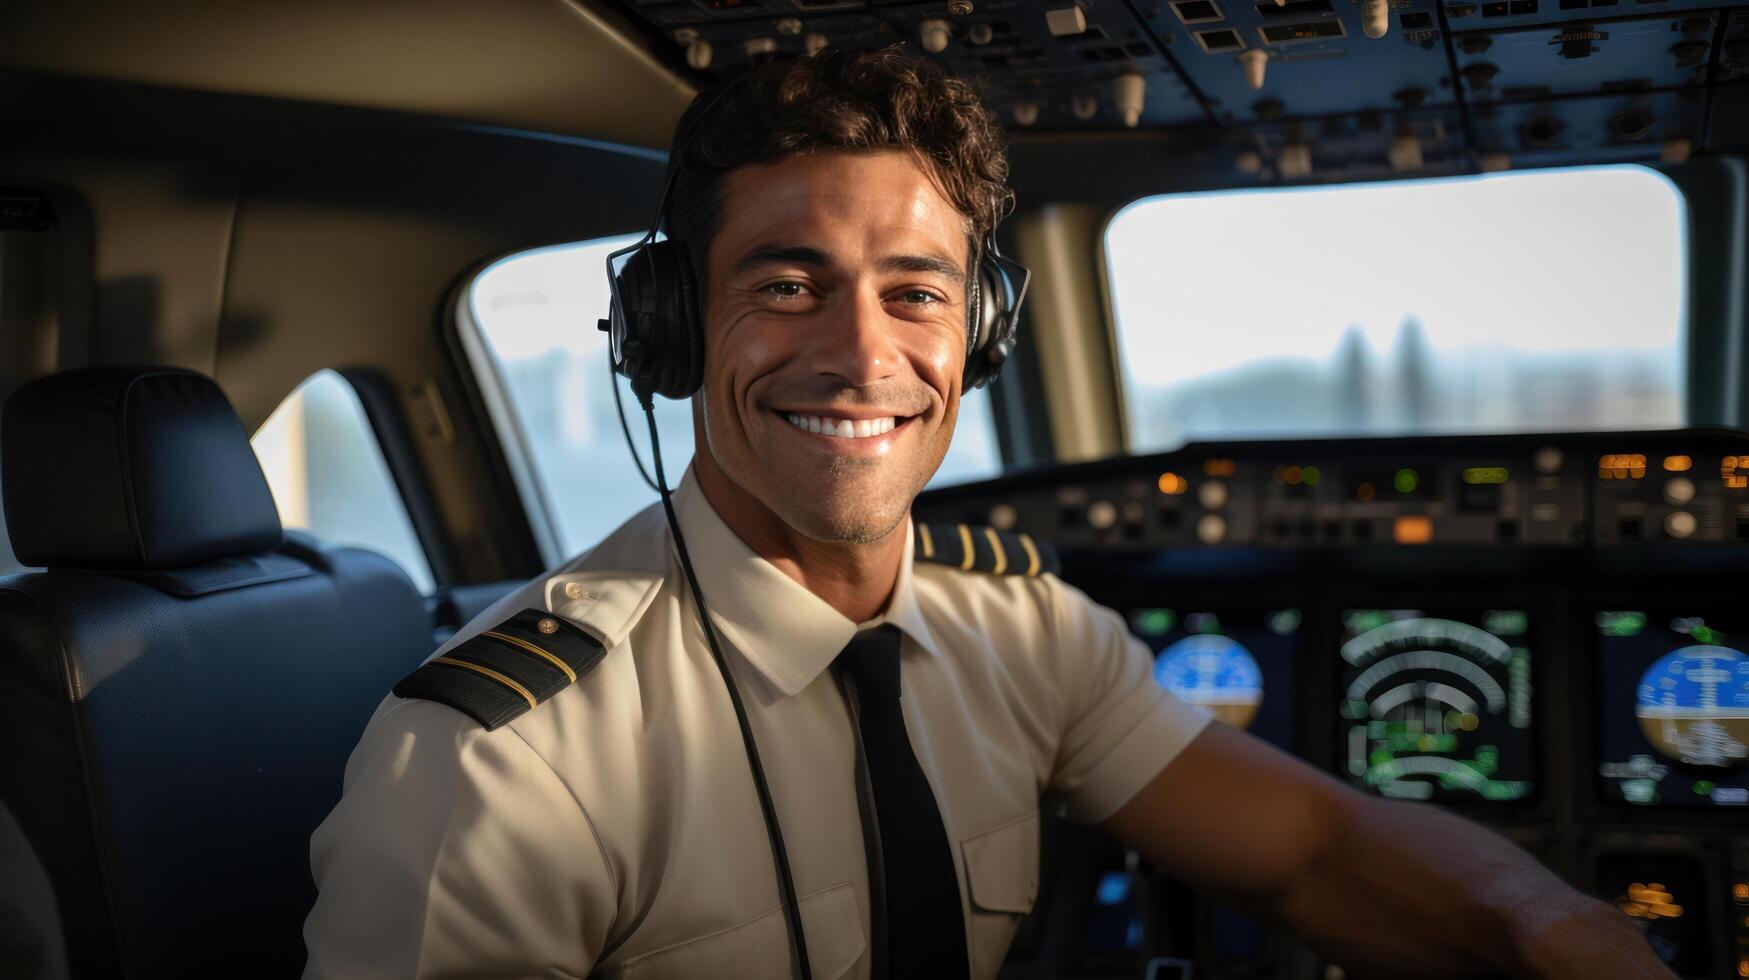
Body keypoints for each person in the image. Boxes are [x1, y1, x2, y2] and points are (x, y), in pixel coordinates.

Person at [302, 50, 1674, 979]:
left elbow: (1314, 850)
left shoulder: (1023, 632)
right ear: (666, 327)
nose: (859, 353)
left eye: (915, 290)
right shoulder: (496, 763)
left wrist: (1547, 924)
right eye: (785, 284)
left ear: (981, 334)